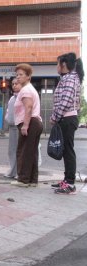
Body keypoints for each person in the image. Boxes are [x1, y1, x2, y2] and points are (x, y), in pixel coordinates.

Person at [50, 53, 84, 194]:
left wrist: (55, 117)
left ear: (63, 65)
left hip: (67, 118)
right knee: (66, 150)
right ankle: (67, 180)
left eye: (57, 64)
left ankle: (70, 184)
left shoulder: (69, 78)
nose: (56, 67)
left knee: (68, 151)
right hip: (67, 118)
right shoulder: (70, 78)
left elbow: (66, 100)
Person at [11, 63, 43, 187]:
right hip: (35, 122)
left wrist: (25, 125)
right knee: (32, 152)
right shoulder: (30, 88)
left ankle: (23, 180)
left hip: (30, 123)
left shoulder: (25, 89)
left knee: (23, 151)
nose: (18, 77)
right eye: (17, 74)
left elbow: (28, 108)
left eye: (21, 75)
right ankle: (32, 180)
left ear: (28, 76)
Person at [4, 78, 21, 179]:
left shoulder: (22, 97)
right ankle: (13, 170)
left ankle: (18, 172)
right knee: (12, 150)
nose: (14, 85)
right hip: (12, 127)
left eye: (17, 84)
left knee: (18, 150)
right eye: (13, 84)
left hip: (18, 127)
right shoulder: (12, 98)